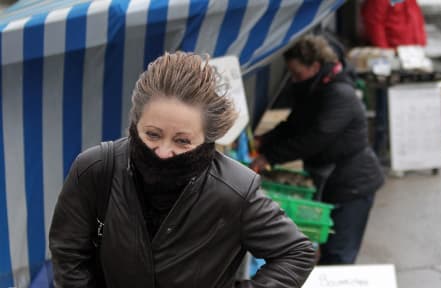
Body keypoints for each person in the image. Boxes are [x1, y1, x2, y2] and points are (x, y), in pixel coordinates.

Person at [49, 52, 315, 287]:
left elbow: (296, 253)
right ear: (135, 123)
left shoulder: (235, 191)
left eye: (182, 141)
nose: (164, 152)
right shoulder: (96, 169)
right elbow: (69, 253)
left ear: (207, 140)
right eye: (152, 134)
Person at [250, 35, 385, 265]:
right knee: (328, 250)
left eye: (297, 73)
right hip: (331, 180)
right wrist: (263, 140)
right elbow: (293, 124)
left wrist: (269, 157)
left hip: (353, 185)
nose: (293, 79)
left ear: (314, 66)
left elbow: (315, 138)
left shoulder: (340, 94)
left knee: (338, 255)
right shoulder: (313, 89)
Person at [361, 0, 427, 49]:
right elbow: (374, 23)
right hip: (395, 52)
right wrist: (385, 51)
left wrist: (421, 43)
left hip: (413, 51)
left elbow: (415, 19)